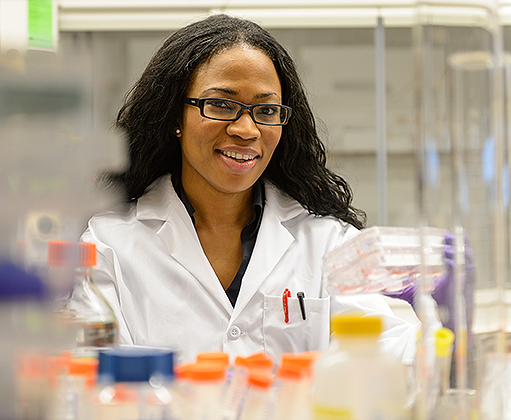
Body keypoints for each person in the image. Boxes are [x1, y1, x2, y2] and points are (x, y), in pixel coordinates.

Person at [80, 13, 417, 364]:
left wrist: (447, 324)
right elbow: (89, 375)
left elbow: (388, 357)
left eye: (266, 110)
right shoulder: (109, 245)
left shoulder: (326, 242)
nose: (247, 129)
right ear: (174, 117)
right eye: (221, 104)